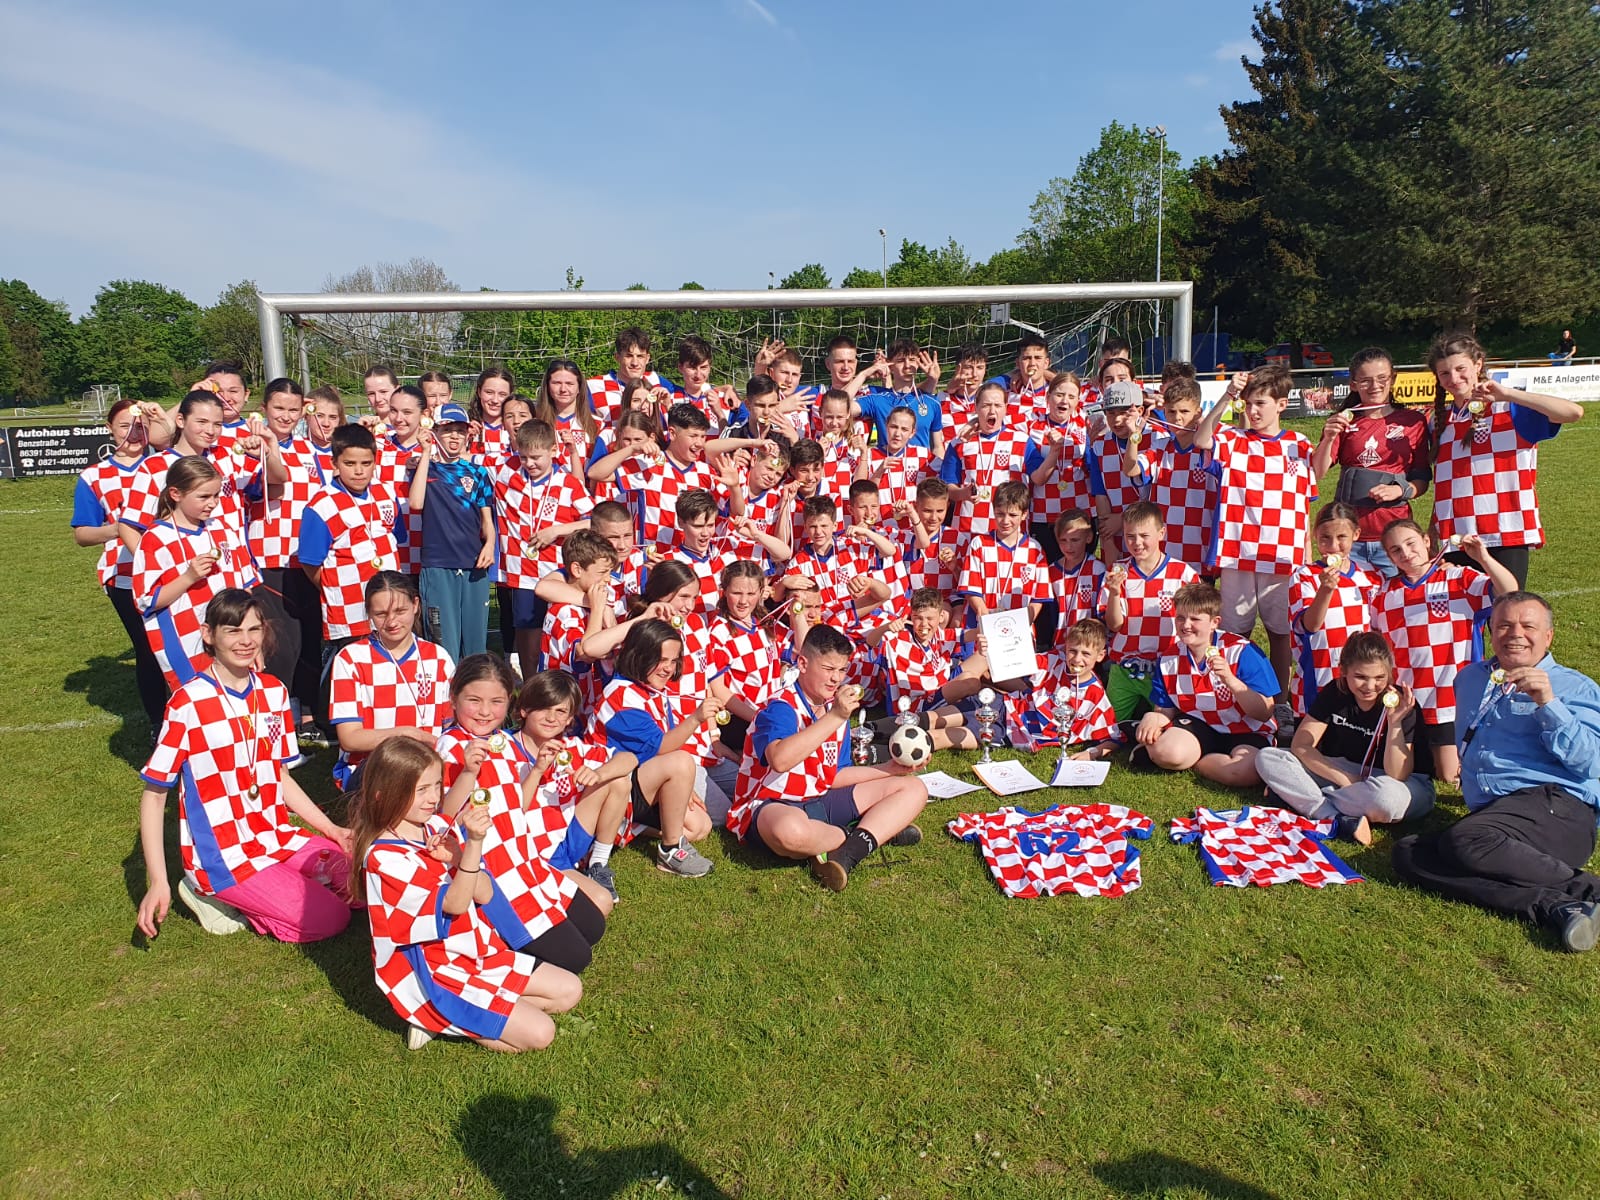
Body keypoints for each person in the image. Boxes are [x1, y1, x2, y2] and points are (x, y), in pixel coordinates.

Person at [134, 588, 354, 943]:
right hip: (225, 856)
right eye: (233, 631)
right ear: (208, 635)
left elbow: (279, 775)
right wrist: (158, 880)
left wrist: (332, 830)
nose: (246, 641)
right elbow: (155, 795)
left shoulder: (273, 692)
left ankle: (279, 884)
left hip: (275, 837)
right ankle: (208, 892)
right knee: (331, 917)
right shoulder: (187, 702)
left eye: (254, 629)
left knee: (361, 882)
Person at [1391, 592, 1600, 953]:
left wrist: (1548, 704)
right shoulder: (1470, 679)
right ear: (1491, 631)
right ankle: (1554, 905)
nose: (1515, 633)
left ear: (1548, 636)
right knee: (1408, 853)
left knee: (1465, 840)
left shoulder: (1574, 687)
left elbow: (1592, 763)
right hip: (1496, 818)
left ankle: (1587, 888)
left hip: (1559, 812)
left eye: (1528, 626)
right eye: (1504, 625)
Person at [350, 736, 583, 1052]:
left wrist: (460, 857)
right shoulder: (384, 858)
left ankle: (482, 1009)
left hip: (479, 951)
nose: (433, 797)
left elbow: (484, 892)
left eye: (436, 785)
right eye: (421, 790)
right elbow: (457, 904)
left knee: (570, 989)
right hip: (437, 971)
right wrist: (473, 843)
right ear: (385, 794)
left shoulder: (436, 826)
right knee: (541, 1034)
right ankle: (435, 1017)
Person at [433, 655, 612, 964]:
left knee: (593, 927)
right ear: (454, 699)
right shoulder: (451, 745)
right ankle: (497, 942)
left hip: (525, 858)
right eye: (474, 701)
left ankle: (525, 937)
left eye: (496, 702)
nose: (485, 711)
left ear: (509, 702)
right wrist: (468, 773)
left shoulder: (501, 741)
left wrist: (538, 769)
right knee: (576, 958)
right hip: (491, 868)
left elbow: (518, 806)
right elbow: (445, 817)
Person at [727, 624, 930, 892]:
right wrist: (835, 717)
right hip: (772, 804)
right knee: (789, 831)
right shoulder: (780, 708)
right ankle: (864, 835)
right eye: (828, 669)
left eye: (842, 670)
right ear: (802, 664)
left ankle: (845, 850)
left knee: (914, 788)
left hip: (822, 799)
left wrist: (890, 769)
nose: (836, 678)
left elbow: (835, 776)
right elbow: (780, 760)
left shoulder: (834, 708)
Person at [1193, 363, 1318, 728]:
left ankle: (1280, 702)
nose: (1253, 410)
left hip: (1282, 555)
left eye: (1261, 402)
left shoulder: (1299, 444)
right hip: (1238, 554)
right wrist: (1227, 396)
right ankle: (1235, 697)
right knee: (1235, 634)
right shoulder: (1232, 439)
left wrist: (1307, 551)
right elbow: (1202, 439)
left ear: (1282, 404)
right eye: (1248, 403)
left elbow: (1304, 502)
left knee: (1281, 633)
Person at [1428, 332, 1582, 588]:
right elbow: (1447, 482)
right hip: (1456, 536)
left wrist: (1508, 394)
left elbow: (1573, 412)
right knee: (1464, 612)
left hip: (1506, 532)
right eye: (1444, 373)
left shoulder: (1509, 409)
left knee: (1506, 609)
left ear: (1478, 364)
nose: (1453, 378)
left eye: (1460, 368)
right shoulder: (1439, 421)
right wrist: (1433, 526)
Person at [1370, 519, 1517, 784]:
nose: (1406, 553)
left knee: (1449, 775)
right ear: (1389, 557)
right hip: (1408, 699)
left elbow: (1510, 591)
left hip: (1450, 700)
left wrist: (1483, 558)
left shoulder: (1458, 578)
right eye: (1395, 550)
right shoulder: (1383, 593)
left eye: (1411, 543)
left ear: (1427, 541)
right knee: (1407, 772)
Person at [1256, 631, 1434, 842]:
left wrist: (1395, 723)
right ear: (1343, 671)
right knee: (1269, 757)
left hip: (1398, 783)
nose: (1370, 686)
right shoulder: (1335, 691)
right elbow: (1302, 745)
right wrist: (1343, 778)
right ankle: (1333, 816)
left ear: (1389, 673)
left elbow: (1398, 774)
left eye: (1379, 677)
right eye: (1360, 677)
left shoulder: (1401, 703)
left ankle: (1297, 797)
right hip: (1345, 769)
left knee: (1386, 800)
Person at [591, 618, 718, 876]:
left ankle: (625, 825)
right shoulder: (620, 694)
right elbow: (661, 747)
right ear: (639, 656)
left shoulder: (648, 689)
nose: (669, 668)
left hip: (638, 780)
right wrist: (695, 719)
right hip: (611, 785)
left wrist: (681, 788)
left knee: (700, 826)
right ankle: (670, 850)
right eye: (661, 660)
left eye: (674, 661)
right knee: (681, 762)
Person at [72, 397, 169, 733]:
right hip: (125, 575)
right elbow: (82, 534)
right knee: (148, 647)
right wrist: (122, 527)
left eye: (140, 426)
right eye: (125, 426)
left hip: (173, 568)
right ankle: (159, 721)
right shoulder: (95, 476)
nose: (134, 433)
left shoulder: (165, 464)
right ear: (109, 429)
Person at [130, 456, 262, 691]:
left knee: (239, 697)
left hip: (233, 639)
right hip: (187, 641)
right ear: (175, 494)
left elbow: (245, 590)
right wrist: (189, 578)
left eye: (216, 496)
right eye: (204, 497)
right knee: (202, 701)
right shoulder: (156, 539)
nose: (213, 503)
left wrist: (254, 643)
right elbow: (146, 601)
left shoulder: (222, 530)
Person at [1130, 581, 1279, 786]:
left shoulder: (1243, 651)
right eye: (1180, 618)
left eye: (1195, 619)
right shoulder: (1169, 659)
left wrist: (1231, 680)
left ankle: (1198, 762)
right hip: (1200, 725)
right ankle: (1187, 754)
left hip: (1246, 729)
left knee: (1244, 772)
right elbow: (1165, 709)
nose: (1186, 625)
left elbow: (1264, 712)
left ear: (1214, 622)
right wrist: (1153, 718)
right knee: (1166, 752)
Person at [328, 572, 456, 792]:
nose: (392, 622)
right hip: (375, 765)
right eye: (381, 614)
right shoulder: (350, 659)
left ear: (415, 605)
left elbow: (451, 726)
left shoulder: (438, 657)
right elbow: (349, 738)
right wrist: (407, 735)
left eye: (400, 611)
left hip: (431, 763)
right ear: (369, 613)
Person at [1310, 347, 1431, 578]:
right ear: (1353, 384)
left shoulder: (1413, 421)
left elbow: (1422, 478)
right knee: (1348, 597)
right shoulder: (1344, 420)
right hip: (1348, 538)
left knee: (1394, 597)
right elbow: (1316, 472)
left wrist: (1400, 490)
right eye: (1365, 380)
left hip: (1394, 537)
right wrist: (1329, 438)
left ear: (1393, 378)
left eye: (1382, 378)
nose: (1375, 386)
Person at [488, 419, 594, 671]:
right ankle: (529, 686)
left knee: (557, 634)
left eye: (536, 457)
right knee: (528, 643)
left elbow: (594, 521)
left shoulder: (568, 483)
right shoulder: (506, 470)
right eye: (524, 457)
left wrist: (556, 531)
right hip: (521, 574)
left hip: (556, 574)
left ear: (553, 451)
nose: (529, 463)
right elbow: (464, 456)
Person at [297, 423, 405, 660]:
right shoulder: (322, 505)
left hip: (390, 604)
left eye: (366, 463)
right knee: (352, 666)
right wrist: (335, 587)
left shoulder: (386, 493)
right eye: (349, 463)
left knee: (390, 666)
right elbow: (310, 562)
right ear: (334, 463)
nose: (359, 471)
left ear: (375, 462)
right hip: (350, 609)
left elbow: (396, 539)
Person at [409, 402, 495, 662]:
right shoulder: (425, 467)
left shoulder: (478, 472)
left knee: (476, 645)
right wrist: (425, 452)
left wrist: (490, 544)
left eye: (460, 431)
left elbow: (486, 518)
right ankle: (445, 688)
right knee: (443, 644)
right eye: (447, 430)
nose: (454, 436)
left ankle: (474, 687)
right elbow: (416, 503)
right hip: (438, 565)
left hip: (474, 565)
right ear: (434, 431)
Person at [1100, 501, 1198, 722]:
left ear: (1161, 533)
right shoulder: (1118, 572)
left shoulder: (1183, 574)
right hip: (1126, 667)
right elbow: (1114, 625)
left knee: (1164, 726)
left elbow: (1197, 624)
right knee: (1109, 727)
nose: (1137, 543)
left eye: (1144, 536)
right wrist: (1114, 592)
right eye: (1130, 536)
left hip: (1167, 667)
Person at [1287, 502, 1380, 717]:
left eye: (1341, 537)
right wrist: (1326, 589)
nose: (1333, 546)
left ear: (1356, 534)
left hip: (1364, 682)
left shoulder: (1372, 575)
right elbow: (1310, 626)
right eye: (1325, 538)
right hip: (1320, 677)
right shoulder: (1304, 576)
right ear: (1315, 536)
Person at [1126, 376, 1215, 576]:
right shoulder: (1160, 447)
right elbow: (1131, 470)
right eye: (1171, 412)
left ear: (1198, 413)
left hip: (1200, 550)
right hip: (1165, 552)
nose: (1177, 418)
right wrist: (1133, 436)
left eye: (1184, 411)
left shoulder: (1210, 449)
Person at [939, 381, 1043, 536]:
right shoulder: (959, 442)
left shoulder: (1022, 440)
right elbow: (947, 487)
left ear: (1006, 408)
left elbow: (1040, 478)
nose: (992, 411)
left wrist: (1055, 452)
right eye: (986, 405)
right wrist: (963, 493)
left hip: (1009, 530)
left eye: (998, 405)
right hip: (967, 528)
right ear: (976, 407)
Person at [1086, 381, 1159, 562]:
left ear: (1139, 411)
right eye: (1111, 413)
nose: (1117, 420)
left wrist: (1122, 519)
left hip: (1150, 534)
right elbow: (1100, 495)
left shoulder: (1157, 438)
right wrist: (1108, 542)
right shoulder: (1100, 445)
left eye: (1124, 413)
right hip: (1116, 535)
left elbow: (1156, 492)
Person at [468, 366, 516, 458]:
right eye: (489, 392)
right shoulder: (465, 426)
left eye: (502, 394)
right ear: (479, 392)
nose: (495, 400)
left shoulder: (516, 428)